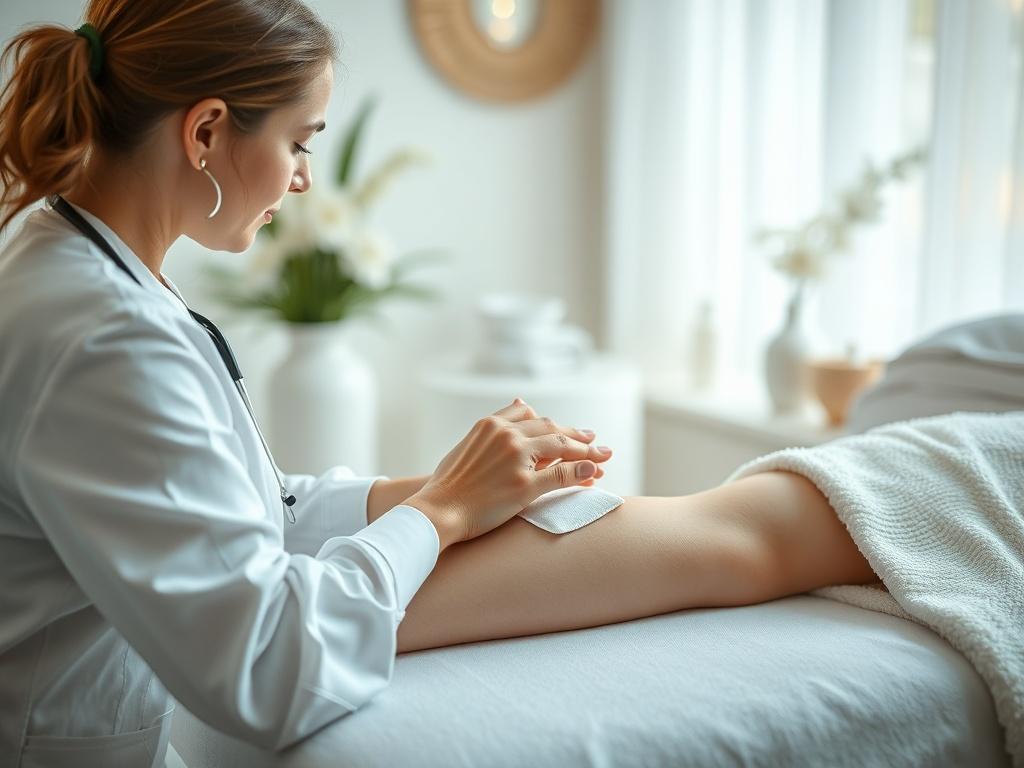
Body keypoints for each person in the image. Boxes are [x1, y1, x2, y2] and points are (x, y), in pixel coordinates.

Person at [0, 2, 883, 766]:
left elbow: (227, 507)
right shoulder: (103, 337)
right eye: (299, 142)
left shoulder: (72, 253)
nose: (304, 177)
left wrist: (425, 489)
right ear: (205, 133)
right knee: (750, 534)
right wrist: (442, 516)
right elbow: (264, 669)